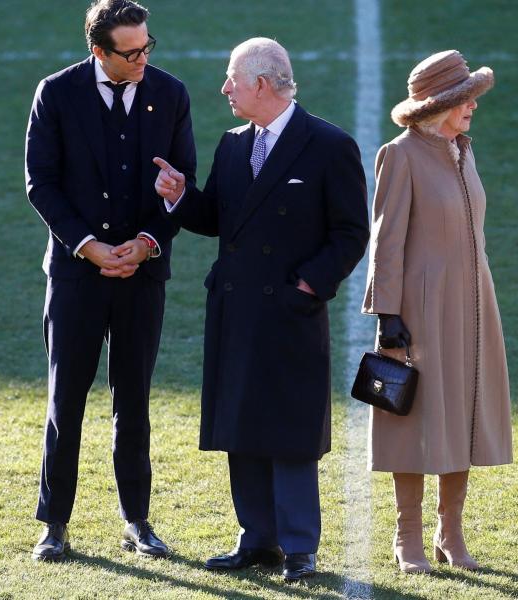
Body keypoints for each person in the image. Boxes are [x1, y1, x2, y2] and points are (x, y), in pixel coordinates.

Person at [152, 37, 369, 583]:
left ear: (263, 84)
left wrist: (309, 286)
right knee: (242, 422)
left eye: (233, 79)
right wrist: (180, 198)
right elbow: (222, 218)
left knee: (290, 426)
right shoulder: (230, 145)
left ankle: (299, 546)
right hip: (237, 309)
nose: (224, 88)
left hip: (291, 312)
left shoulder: (328, 144)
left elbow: (350, 232)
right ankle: (258, 539)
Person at [24, 0, 195, 562]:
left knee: (135, 399)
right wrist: (89, 247)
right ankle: (54, 524)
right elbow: (41, 183)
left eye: (148, 45)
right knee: (65, 400)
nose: (144, 56)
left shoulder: (169, 93)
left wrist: (146, 243)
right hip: (76, 275)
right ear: (99, 51)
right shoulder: (56, 93)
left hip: (142, 276)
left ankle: (137, 522)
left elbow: (181, 180)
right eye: (132, 51)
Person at [361, 50, 513, 574]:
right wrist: (387, 311)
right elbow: (387, 239)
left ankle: (451, 533)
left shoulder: (464, 151)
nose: (472, 105)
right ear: (439, 104)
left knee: (464, 413)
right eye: (463, 98)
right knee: (416, 417)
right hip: (422, 309)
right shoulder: (400, 154)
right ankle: (408, 536)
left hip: (473, 304)